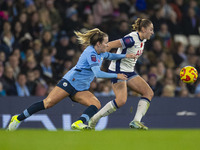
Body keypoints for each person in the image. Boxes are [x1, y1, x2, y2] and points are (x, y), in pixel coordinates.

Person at [8, 28, 136, 131]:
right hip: (70, 82)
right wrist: (116, 75)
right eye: (106, 43)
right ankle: (17, 119)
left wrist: (126, 55)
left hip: (81, 88)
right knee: (47, 103)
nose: (107, 45)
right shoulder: (90, 53)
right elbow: (97, 73)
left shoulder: (101, 52)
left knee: (96, 103)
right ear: (98, 44)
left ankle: (79, 123)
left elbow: (110, 55)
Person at [89, 18, 154, 130]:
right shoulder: (131, 39)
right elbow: (109, 45)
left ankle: (136, 121)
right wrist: (97, 58)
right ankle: (94, 119)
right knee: (121, 100)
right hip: (118, 70)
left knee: (148, 92)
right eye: (151, 29)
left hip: (129, 71)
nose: (152, 32)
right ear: (143, 29)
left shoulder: (143, 39)